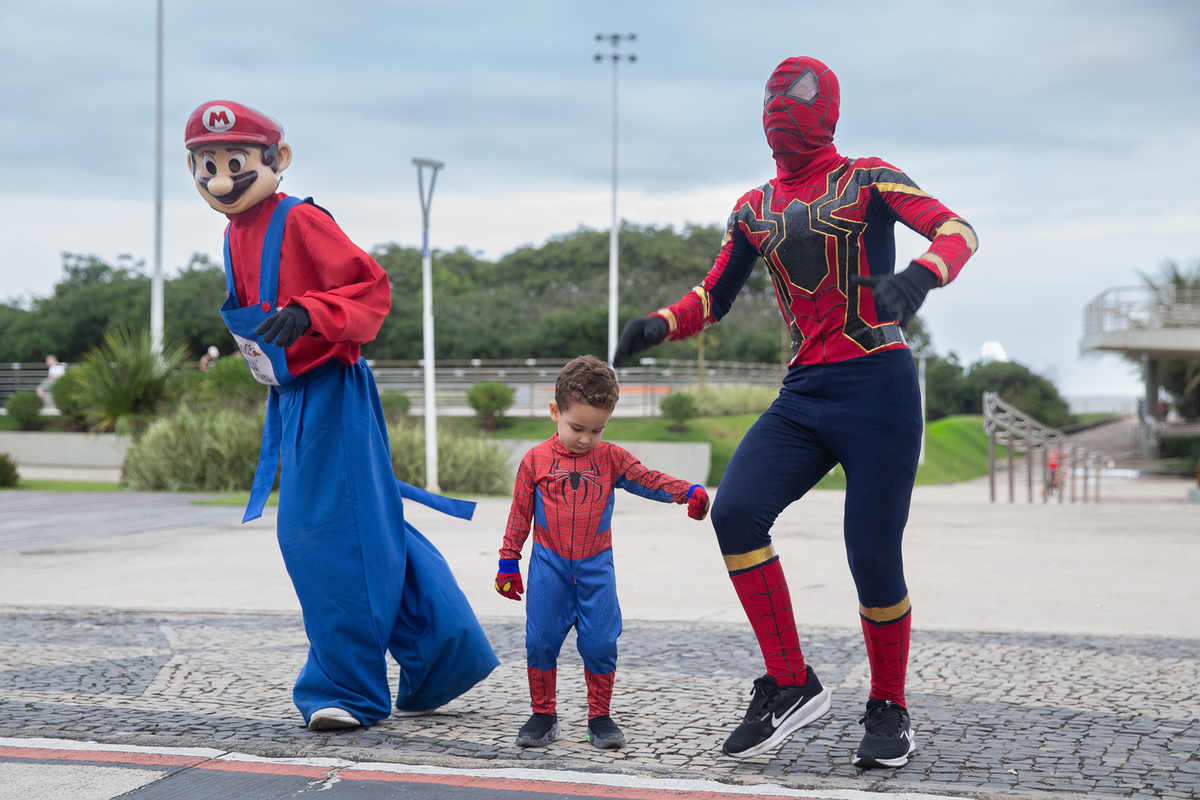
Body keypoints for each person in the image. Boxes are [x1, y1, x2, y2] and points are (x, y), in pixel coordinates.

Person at [614, 57, 978, 768]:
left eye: (798, 94)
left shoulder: (869, 178)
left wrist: (920, 276)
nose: (783, 103)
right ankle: (790, 683)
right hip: (805, 392)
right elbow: (713, 296)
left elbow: (958, 229)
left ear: (829, 110)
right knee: (736, 512)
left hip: (878, 385)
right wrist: (656, 324)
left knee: (872, 554)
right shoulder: (753, 208)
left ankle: (889, 705)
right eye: (773, 93)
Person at [185, 100, 498, 731]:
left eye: (235, 161)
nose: (219, 179)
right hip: (293, 399)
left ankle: (347, 691)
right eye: (205, 165)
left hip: (334, 390)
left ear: (279, 161)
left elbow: (372, 291)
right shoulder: (232, 232)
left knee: (324, 539)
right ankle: (445, 651)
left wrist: (312, 313)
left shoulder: (299, 219)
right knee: (367, 527)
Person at [495, 355, 711, 750]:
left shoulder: (610, 458)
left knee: (600, 643)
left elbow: (649, 479)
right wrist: (508, 560)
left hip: (596, 568)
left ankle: (600, 716)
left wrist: (688, 493)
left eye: (597, 430)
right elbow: (519, 514)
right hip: (549, 566)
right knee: (540, 639)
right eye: (577, 427)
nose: (585, 438)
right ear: (554, 411)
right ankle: (543, 713)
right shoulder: (534, 461)